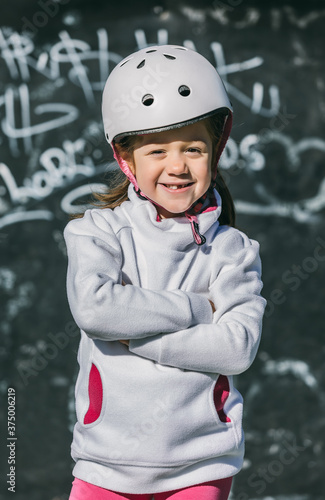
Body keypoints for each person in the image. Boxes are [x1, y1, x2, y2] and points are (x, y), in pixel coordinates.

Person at [65, 45, 266, 500]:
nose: (177, 166)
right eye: (157, 150)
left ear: (214, 152)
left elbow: (235, 348)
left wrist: (133, 334)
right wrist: (199, 308)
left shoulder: (232, 250)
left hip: (200, 466)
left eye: (193, 149)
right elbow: (96, 310)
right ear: (126, 159)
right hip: (104, 464)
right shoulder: (95, 232)